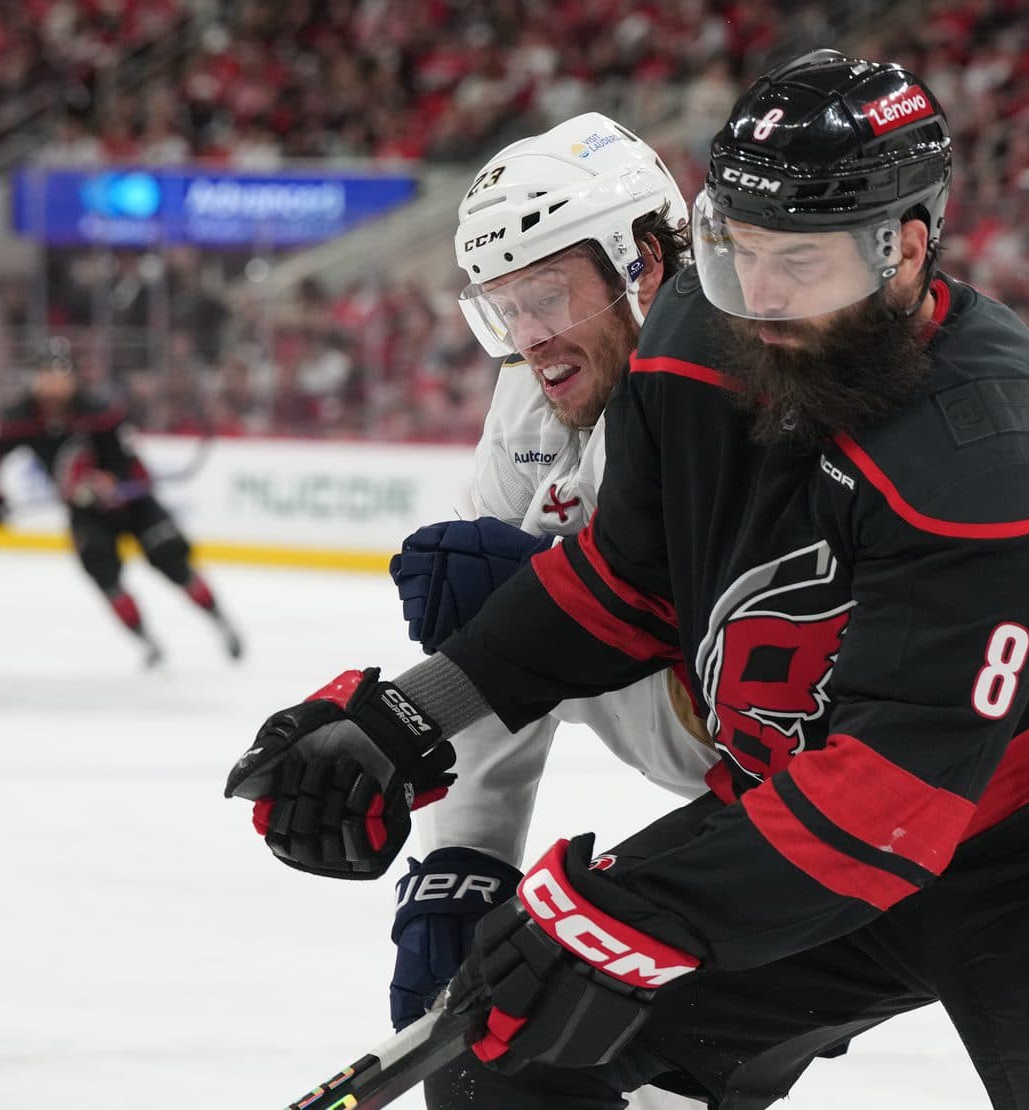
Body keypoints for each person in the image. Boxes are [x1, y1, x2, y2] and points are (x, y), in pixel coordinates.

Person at [228, 50, 1029, 1108]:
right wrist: (412, 719)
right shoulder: (692, 334)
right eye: (740, 253)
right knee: (517, 1064)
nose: (759, 301)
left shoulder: (987, 437)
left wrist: (631, 915)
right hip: (798, 837)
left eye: (800, 265)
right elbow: (619, 588)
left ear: (905, 249)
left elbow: (897, 790)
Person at [381, 112, 719, 1110]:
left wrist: (535, 582)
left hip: (851, 799)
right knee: (520, 1067)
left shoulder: (732, 379)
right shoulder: (535, 395)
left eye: (546, 295)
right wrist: (464, 860)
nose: (528, 338)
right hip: (750, 799)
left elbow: (713, 656)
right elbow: (482, 646)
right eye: (503, 306)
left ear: (644, 261)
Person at [0, 343, 242, 666]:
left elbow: (133, 464)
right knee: (104, 575)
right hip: (86, 512)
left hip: (134, 505)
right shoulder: (19, 418)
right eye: (45, 375)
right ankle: (147, 641)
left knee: (173, 561)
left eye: (60, 375)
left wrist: (112, 483)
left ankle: (219, 620)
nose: (53, 383)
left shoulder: (99, 410)